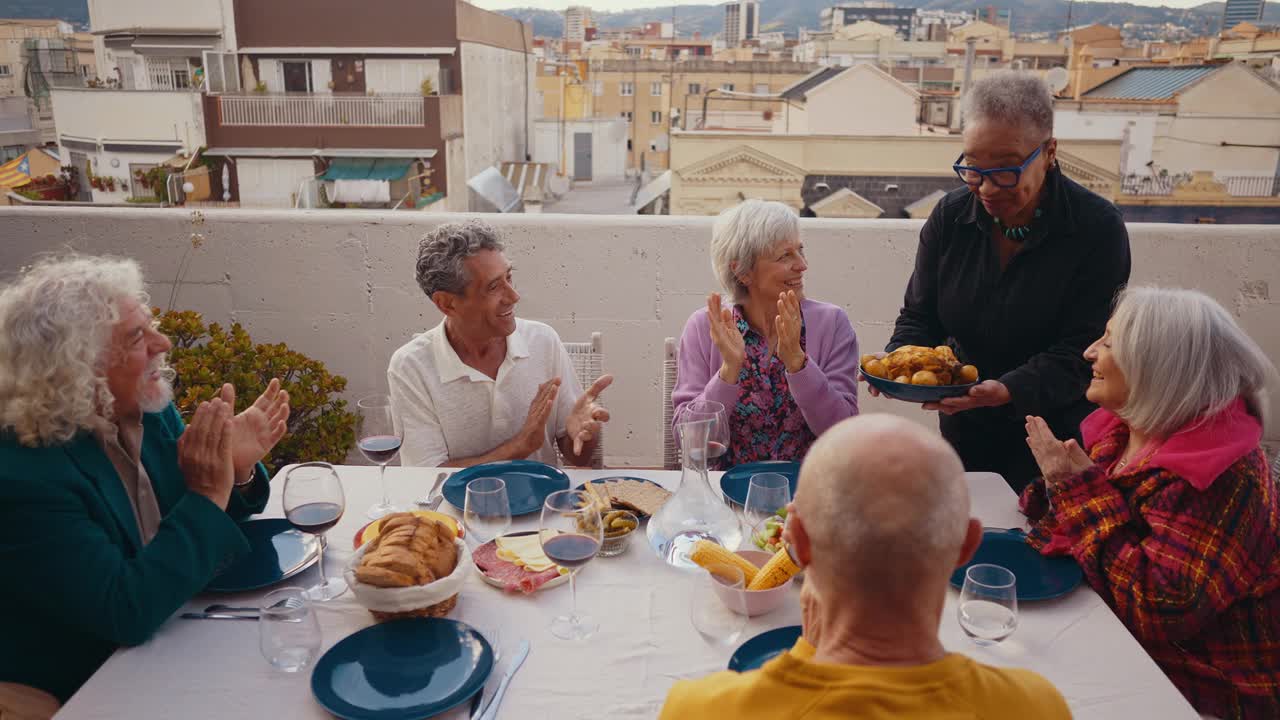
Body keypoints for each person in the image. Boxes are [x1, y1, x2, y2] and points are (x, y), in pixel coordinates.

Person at [0, 256, 290, 717]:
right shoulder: (24, 475)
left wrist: (233, 472)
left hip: (181, 630)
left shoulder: (147, 407)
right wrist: (208, 493)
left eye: (149, 324)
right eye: (137, 337)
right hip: (91, 682)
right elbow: (125, 610)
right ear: (76, 366)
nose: (164, 342)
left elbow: (193, 524)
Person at [660, 414, 1071, 719]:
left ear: (796, 543)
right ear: (967, 546)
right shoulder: (1039, 706)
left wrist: (809, 644)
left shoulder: (696, 710)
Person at [1021, 286, 1280, 719]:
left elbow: (1161, 609)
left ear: (1157, 365)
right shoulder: (1129, 430)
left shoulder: (1224, 474)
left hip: (1201, 690)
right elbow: (1061, 514)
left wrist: (1073, 488)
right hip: (1124, 645)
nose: (1089, 352)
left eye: (1108, 342)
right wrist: (1057, 486)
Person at [882, 71, 1131, 493]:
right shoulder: (951, 216)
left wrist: (1007, 390)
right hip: (965, 428)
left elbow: (1080, 351)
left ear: (1049, 152)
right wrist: (897, 365)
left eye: (1006, 171)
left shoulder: (1096, 229)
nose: (988, 187)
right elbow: (919, 315)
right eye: (973, 169)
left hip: (1055, 437)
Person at [389, 221, 612, 468]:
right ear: (447, 304)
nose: (514, 296)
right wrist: (519, 447)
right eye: (494, 287)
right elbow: (426, 475)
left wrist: (584, 434)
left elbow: (578, 455)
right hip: (456, 507)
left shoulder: (543, 341)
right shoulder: (411, 367)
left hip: (544, 504)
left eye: (509, 277)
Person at [673, 199, 858, 468]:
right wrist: (728, 371)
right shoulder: (704, 327)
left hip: (809, 495)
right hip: (725, 493)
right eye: (785, 256)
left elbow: (844, 434)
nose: (802, 265)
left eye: (800, 250)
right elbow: (689, 439)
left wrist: (798, 363)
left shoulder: (832, 324)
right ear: (742, 271)